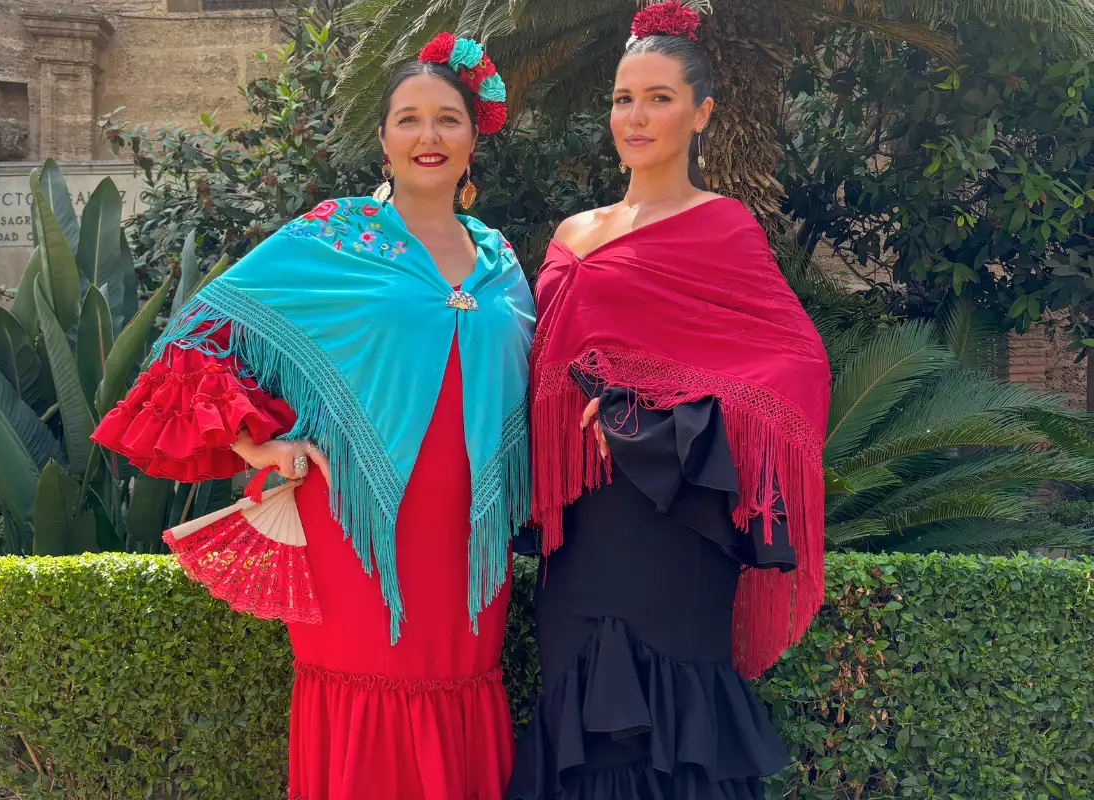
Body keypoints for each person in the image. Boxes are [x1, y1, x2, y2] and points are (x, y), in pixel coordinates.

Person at [92, 32, 534, 800]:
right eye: (408, 119)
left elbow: (533, 384)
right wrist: (256, 446)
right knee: (365, 685)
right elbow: (195, 336)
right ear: (383, 141)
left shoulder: (501, 261)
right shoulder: (336, 236)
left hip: (469, 539)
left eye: (447, 119)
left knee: (462, 682)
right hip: (357, 529)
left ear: (473, 138)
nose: (428, 135)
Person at [506, 3, 831, 798]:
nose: (637, 117)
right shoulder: (569, 233)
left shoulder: (724, 227)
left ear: (701, 113)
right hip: (579, 528)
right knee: (577, 716)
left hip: (672, 519)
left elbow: (797, 368)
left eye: (659, 98)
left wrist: (657, 417)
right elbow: (533, 370)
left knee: (670, 728)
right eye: (624, 98)